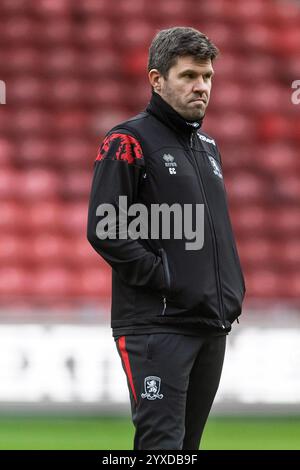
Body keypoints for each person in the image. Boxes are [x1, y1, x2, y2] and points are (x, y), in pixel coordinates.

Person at [87, 26, 246, 450]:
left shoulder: (207, 147)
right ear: (157, 80)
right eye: (189, 76)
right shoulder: (127, 141)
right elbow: (107, 228)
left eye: (208, 77)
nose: (202, 87)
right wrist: (169, 278)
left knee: (184, 451)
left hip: (209, 324)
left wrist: (227, 292)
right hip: (157, 327)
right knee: (161, 449)